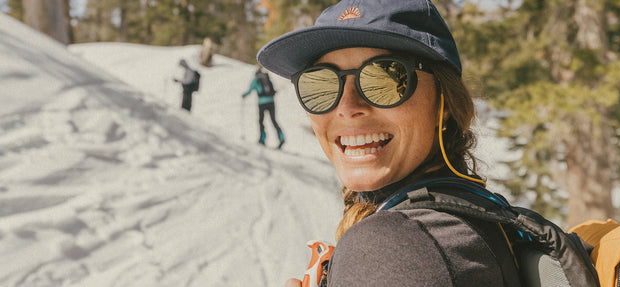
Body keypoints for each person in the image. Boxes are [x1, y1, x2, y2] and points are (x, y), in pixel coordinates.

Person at [258, 0, 594, 286]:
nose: (347, 108)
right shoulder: (473, 219)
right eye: (320, 85)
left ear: (444, 102)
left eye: (384, 78)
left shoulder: (391, 246)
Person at [242, 67, 285, 148]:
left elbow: (250, 90)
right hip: (271, 101)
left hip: (262, 102)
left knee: (261, 121)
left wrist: (244, 95)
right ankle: (281, 137)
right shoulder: (266, 77)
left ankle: (262, 138)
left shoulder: (256, 79)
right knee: (273, 120)